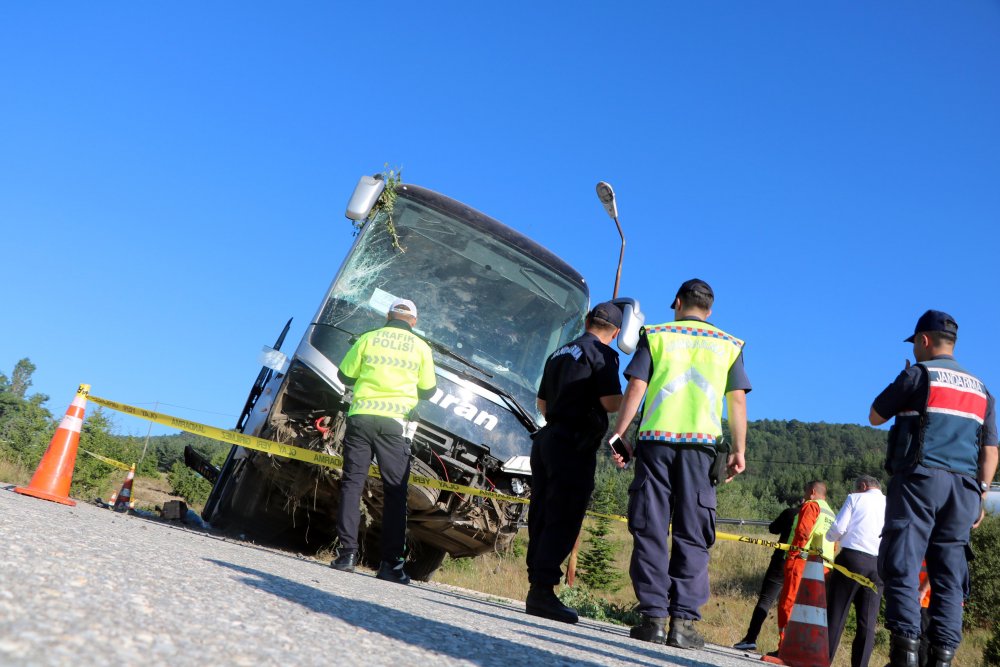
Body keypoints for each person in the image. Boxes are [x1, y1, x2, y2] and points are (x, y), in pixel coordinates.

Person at [610, 278, 750, 648]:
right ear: (710, 309)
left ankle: (653, 619)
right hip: (702, 451)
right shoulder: (729, 345)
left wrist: (620, 434)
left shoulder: (655, 335)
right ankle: (682, 626)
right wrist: (739, 449)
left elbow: (637, 387)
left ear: (676, 302)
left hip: (655, 443)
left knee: (650, 526)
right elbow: (736, 400)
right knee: (693, 532)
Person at [870, 310, 998, 667]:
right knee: (949, 577)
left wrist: (905, 378)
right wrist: (981, 493)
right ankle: (941, 659)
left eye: (917, 344)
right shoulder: (982, 389)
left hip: (920, 480)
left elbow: (875, 415)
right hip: (965, 490)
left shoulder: (918, 374)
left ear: (924, 341)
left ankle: (905, 654)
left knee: (902, 564)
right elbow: (990, 449)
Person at [525, 301, 623, 623]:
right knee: (565, 514)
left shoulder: (561, 352)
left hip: (546, 440)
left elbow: (542, 402)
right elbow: (610, 402)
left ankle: (536, 583)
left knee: (541, 511)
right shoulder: (603, 355)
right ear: (617, 332)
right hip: (573, 444)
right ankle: (543, 591)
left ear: (586, 321)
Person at [329, 298, 437, 585]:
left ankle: (347, 556)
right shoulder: (422, 348)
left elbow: (344, 374)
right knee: (395, 492)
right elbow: (428, 390)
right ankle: (390, 565)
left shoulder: (368, 338)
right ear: (413, 321)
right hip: (394, 424)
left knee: (353, 483)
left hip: (361, 416)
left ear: (389, 316)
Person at [826, 475, 886, 667]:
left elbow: (838, 528)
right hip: (879, 565)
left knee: (837, 614)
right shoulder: (891, 503)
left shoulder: (855, 498)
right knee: (867, 622)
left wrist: (829, 537)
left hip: (851, 559)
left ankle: (823, 661)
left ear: (862, 486)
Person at [774, 480, 835, 652]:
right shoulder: (830, 513)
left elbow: (802, 532)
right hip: (822, 567)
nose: (804, 495)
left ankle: (785, 646)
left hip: (802, 561)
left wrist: (792, 555)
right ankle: (803, 648)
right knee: (809, 609)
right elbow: (835, 543)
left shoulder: (811, 506)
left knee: (789, 602)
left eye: (806, 491)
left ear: (813, 491)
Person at [732, 502, 801, 652]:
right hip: (804, 566)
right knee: (794, 606)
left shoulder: (792, 512)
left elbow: (773, 528)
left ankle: (751, 638)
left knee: (766, 599)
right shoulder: (822, 517)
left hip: (781, 561)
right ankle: (787, 647)